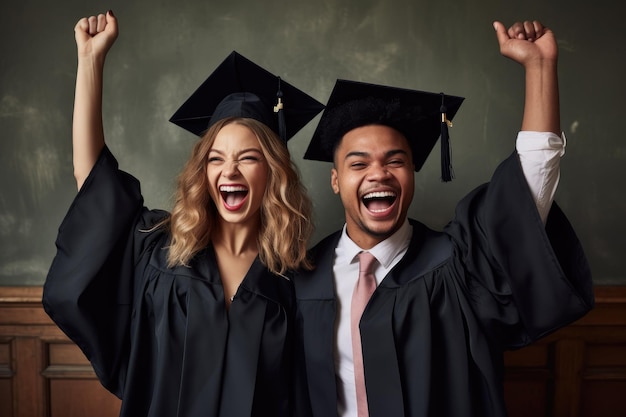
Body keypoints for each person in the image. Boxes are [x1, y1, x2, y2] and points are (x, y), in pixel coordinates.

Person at [293, 20, 594, 417]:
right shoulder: (301, 278)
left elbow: (525, 195)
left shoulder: (458, 267)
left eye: (395, 161)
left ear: (412, 173)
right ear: (336, 180)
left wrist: (540, 70)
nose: (379, 173)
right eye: (359, 163)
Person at [42, 11, 324, 417]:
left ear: (273, 173)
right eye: (216, 159)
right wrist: (91, 61)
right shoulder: (160, 248)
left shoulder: (291, 281)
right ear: (203, 172)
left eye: (248, 158)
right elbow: (93, 182)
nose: (229, 171)